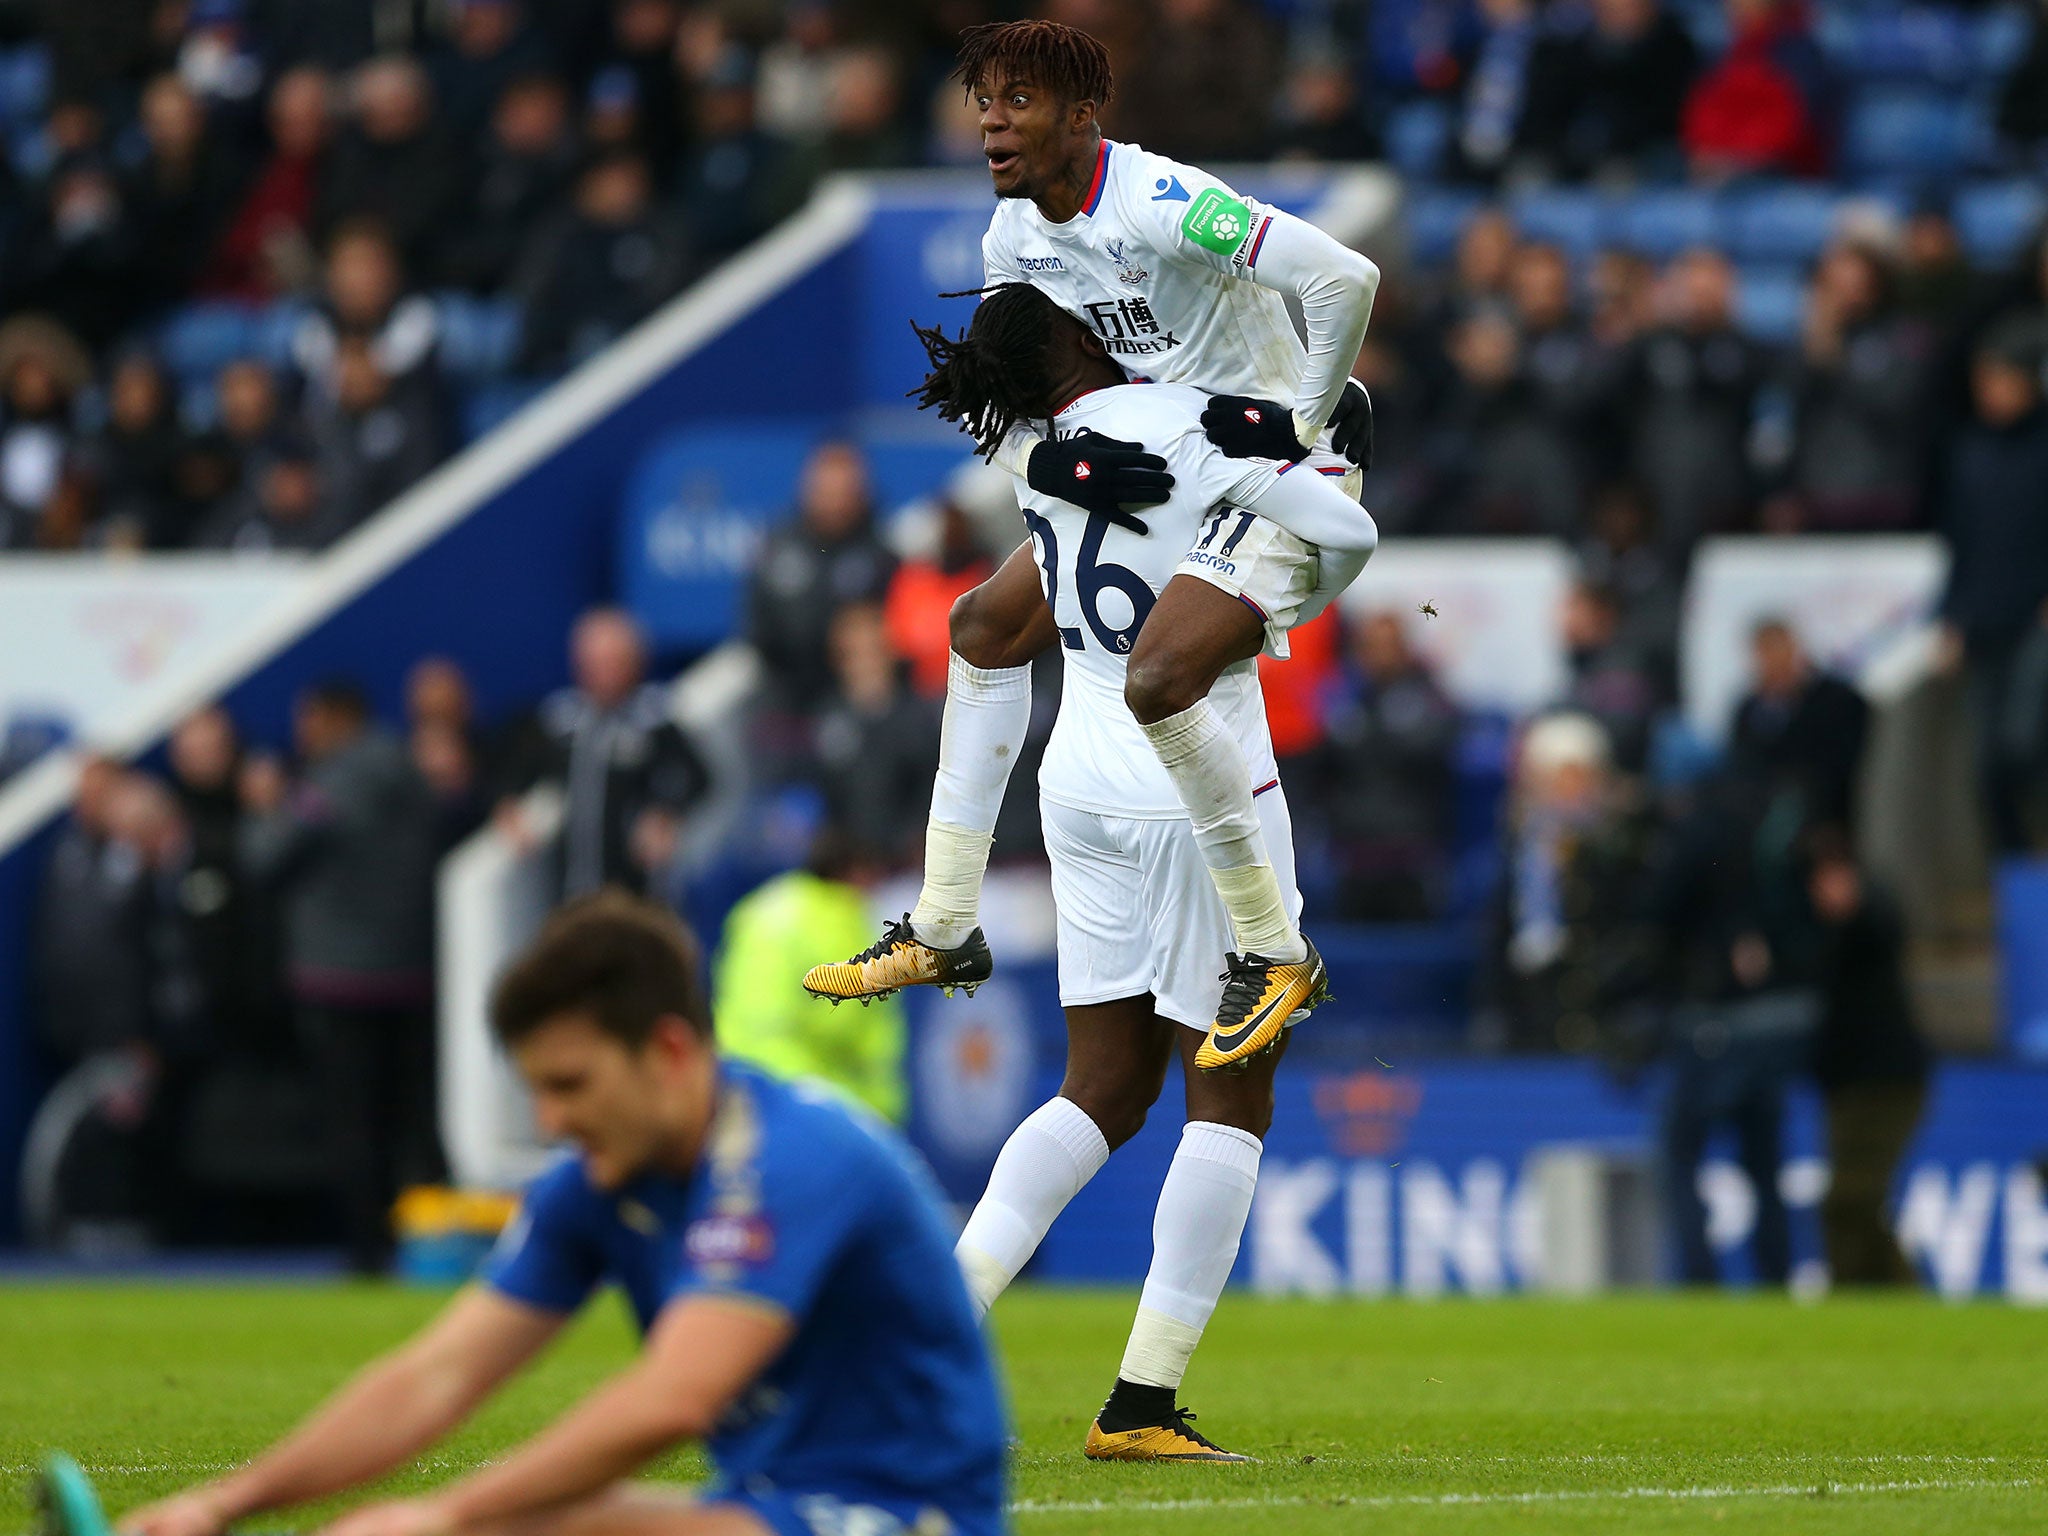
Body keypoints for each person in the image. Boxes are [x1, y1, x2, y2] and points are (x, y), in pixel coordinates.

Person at [824, 283, 1376, 1459]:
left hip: (1073, 778)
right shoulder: (1191, 424)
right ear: (1076, 340)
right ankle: (1141, 1401)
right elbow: (1334, 535)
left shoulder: (1045, 462)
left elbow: (989, 624)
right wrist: (1324, 479)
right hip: (1194, 774)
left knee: (1103, 1088)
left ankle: (934, 1328)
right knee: (1228, 1089)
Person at [78, 891, 1005, 1536]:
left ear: (670, 1052)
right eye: (536, 1090)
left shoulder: (792, 1155)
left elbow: (670, 1401)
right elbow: (435, 1377)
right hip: (775, 1504)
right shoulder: (598, 1181)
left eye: (570, 1084)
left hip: (908, 1519)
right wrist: (222, 1504)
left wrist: (447, 1513)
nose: (550, 1120)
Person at [810, 20, 1381, 1059]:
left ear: (1081, 116)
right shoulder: (1012, 237)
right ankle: (942, 926)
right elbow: (987, 399)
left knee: (1156, 677)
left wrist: (1303, 424)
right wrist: (1047, 464)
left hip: (1261, 476)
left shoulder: (1160, 203)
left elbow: (1342, 276)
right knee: (981, 627)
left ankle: (1272, 946)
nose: (990, 121)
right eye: (982, 101)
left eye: (1016, 102)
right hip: (1157, 467)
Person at [240, 680, 443, 1272]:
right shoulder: (409, 769)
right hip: (413, 974)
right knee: (412, 1117)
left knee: (352, 1125)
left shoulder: (332, 781)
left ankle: (369, 1251)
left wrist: (262, 807)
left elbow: (266, 856)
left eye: (307, 719)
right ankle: (433, 1247)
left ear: (331, 718)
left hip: (341, 980)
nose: (301, 734)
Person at [495, 608, 711, 900]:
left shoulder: (652, 719)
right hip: (569, 889)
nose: (605, 672)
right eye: (596, 662)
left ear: (635, 660)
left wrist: (665, 813)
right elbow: (511, 774)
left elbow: (699, 777)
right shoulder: (560, 720)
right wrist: (509, 810)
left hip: (636, 890)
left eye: (613, 661)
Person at [1933, 317, 2048, 855]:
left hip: (2036, 619)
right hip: (1983, 621)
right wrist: (1951, 617)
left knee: (2023, 743)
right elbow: (1960, 539)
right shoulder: (1970, 451)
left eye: (2000, 380)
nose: (1990, 393)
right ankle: (2019, 869)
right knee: (1984, 762)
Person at [714, 828, 907, 1124]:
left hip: (738, 1089)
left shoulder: (761, 908)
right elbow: (851, 1027)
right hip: (821, 1105)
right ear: (856, 871)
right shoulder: (842, 922)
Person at [1806, 830, 1928, 1287]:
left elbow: (1883, 927)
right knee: (1857, 1202)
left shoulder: (1869, 919)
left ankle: (1865, 1290)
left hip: (1888, 1082)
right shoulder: (1822, 935)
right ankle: (1892, 1292)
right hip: (1847, 1084)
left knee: (1850, 1197)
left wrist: (1855, 908)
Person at [1729, 618, 1869, 831]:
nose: (1771, 662)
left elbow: (1845, 772)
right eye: (1763, 653)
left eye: (1777, 650)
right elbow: (1741, 769)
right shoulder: (1748, 710)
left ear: (1794, 649)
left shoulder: (1837, 701)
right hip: (1758, 821)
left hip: (1826, 822)